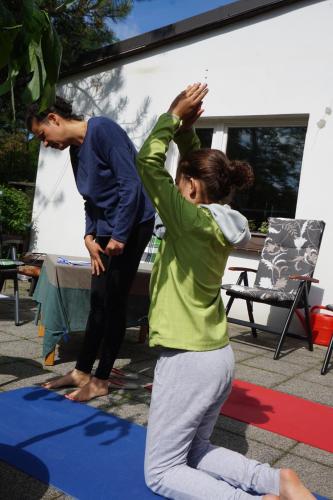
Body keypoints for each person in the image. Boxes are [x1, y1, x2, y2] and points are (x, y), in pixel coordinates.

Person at [136, 83, 315, 499]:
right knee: (195, 449)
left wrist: (172, 117)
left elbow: (146, 162)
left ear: (192, 188)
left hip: (187, 360)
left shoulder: (189, 221)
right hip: (217, 357)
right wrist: (185, 136)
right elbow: (191, 170)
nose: (175, 192)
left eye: (180, 184)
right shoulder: (219, 222)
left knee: (161, 472)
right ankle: (278, 481)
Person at [26, 97, 155, 401]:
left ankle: (101, 379)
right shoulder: (75, 151)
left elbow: (131, 186)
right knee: (97, 300)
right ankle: (82, 370)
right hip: (106, 230)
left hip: (133, 226)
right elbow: (91, 200)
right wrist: (89, 236)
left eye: (43, 135)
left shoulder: (103, 130)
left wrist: (120, 235)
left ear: (54, 119)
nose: (45, 144)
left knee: (114, 301)